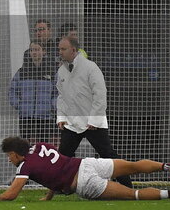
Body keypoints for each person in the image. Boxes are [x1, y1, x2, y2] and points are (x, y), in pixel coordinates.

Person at [0, 137, 170, 202]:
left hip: (84, 183)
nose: (8, 159)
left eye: (8, 155)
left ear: (15, 153)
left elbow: (12, 194)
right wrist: (49, 196)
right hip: (86, 163)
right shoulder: (40, 146)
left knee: (132, 194)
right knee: (133, 165)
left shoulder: (25, 166)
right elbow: (52, 170)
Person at [54, 35, 132, 188]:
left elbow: (100, 94)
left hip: (92, 123)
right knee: (63, 158)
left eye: (63, 49)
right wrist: (61, 117)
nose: (60, 52)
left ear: (73, 50)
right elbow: (61, 96)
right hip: (72, 123)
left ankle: (128, 187)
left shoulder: (90, 67)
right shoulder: (62, 70)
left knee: (108, 155)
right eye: (59, 49)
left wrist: (94, 120)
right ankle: (59, 189)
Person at [8, 41, 57, 142]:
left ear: (43, 51)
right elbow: (12, 90)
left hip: (45, 117)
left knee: (43, 147)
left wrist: (52, 105)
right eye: (32, 50)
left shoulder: (52, 71)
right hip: (26, 116)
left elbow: (58, 92)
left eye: (37, 49)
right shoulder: (22, 72)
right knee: (25, 146)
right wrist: (18, 104)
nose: (34, 52)